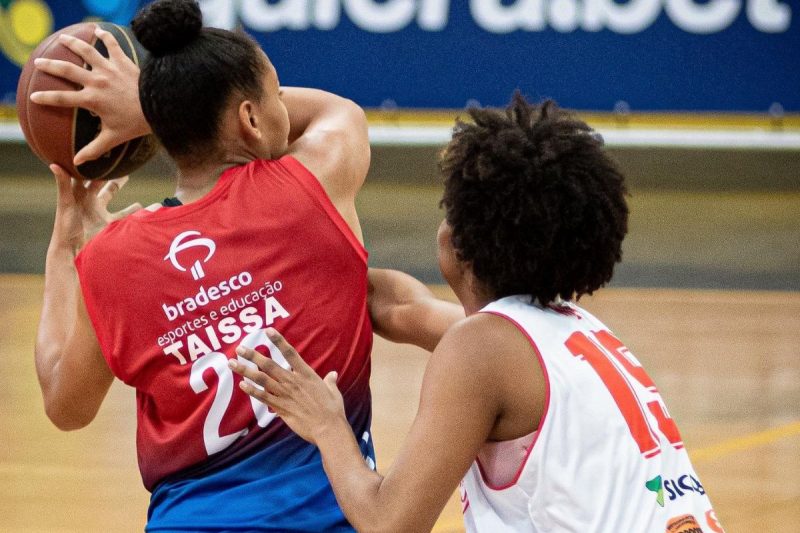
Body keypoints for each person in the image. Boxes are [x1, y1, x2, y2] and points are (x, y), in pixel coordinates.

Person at [231, 94, 725, 532]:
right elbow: (402, 305)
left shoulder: (483, 351)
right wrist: (262, 260)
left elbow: (388, 523)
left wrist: (326, 423)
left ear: (460, 240)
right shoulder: (562, 332)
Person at [31, 0, 376, 530]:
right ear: (250, 117)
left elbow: (65, 405)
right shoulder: (313, 188)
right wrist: (153, 107)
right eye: (274, 93)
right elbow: (339, 112)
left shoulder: (109, 259)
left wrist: (64, 254)